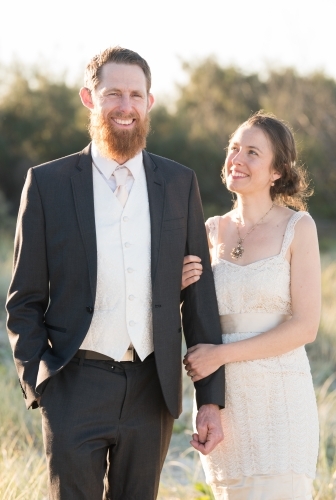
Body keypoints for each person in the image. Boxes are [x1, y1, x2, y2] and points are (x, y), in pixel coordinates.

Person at [6, 46, 225, 500]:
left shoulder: (179, 182)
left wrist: (210, 399)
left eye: (135, 95)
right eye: (113, 94)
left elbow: (199, 298)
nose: (125, 107)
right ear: (89, 98)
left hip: (152, 386)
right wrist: (41, 383)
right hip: (74, 384)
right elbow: (23, 300)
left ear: (150, 102)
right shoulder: (47, 184)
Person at [182, 112, 320, 500]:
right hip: (225, 407)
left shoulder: (299, 227)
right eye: (234, 148)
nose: (237, 159)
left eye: (253, 152)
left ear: (277, 171)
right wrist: (177, 287)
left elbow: (305, 327)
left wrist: (221, 354)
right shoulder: (208, 232)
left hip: (281, 402)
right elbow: (195, 319)